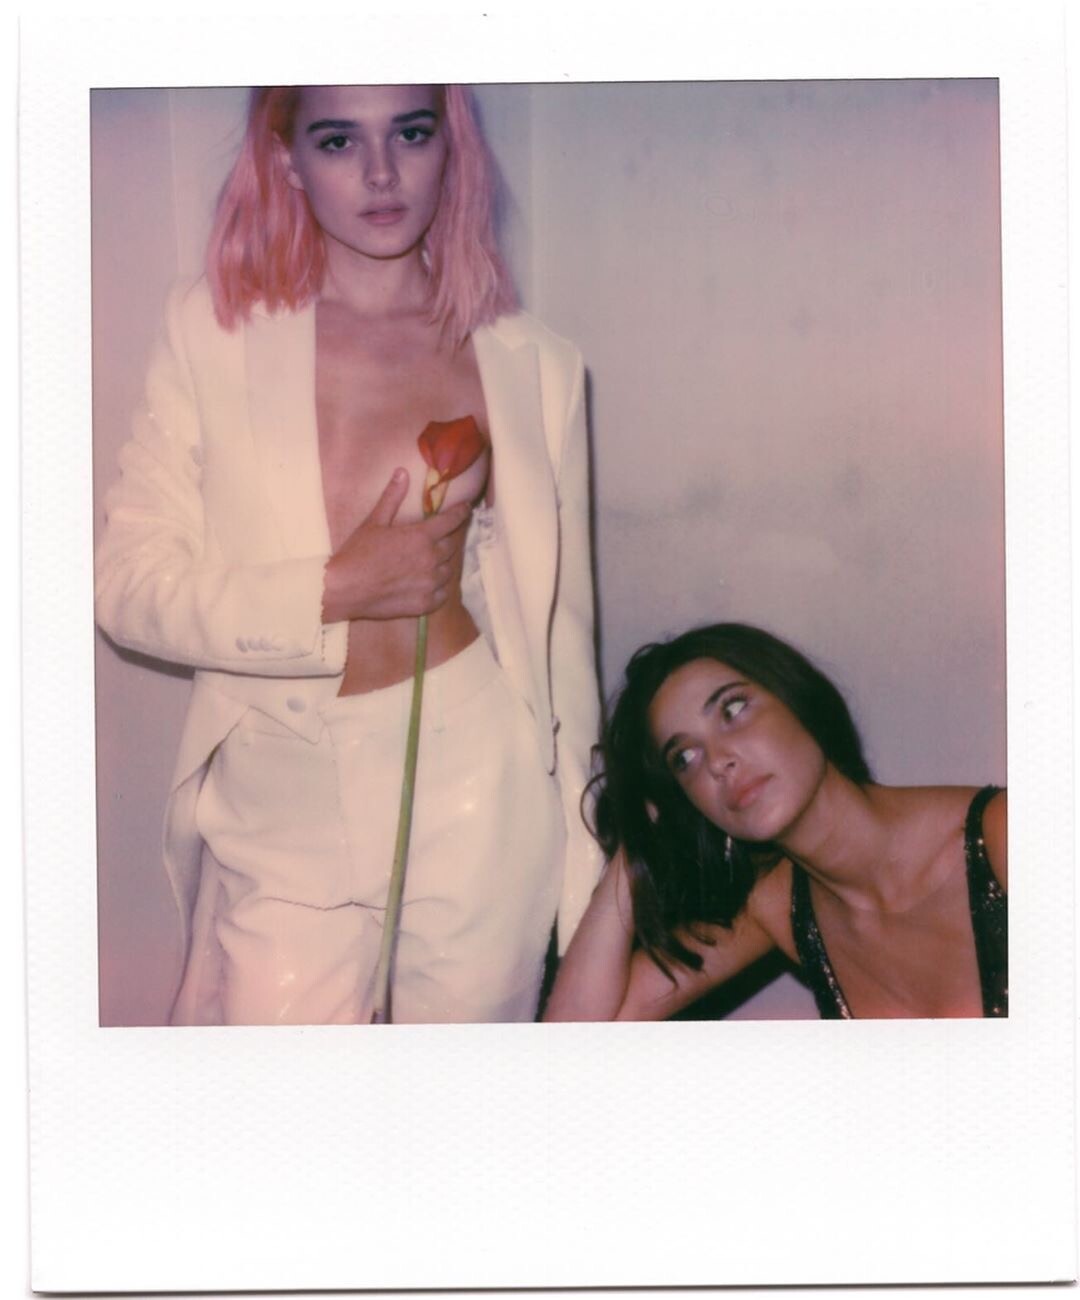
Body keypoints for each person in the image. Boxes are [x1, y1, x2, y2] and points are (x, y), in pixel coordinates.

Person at [95, 84, 602, 1026]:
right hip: (280, 790)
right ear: (286, 159)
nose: (381, 174)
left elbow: (562, 636)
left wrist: (588, 861)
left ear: (450, 147)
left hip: (476, 779)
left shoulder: (533, 362)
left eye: (411, 133)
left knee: (456, 1105)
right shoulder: (211, 332)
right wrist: (336, 589)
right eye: (338, 141)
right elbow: (127, 587)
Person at [544, 623, 1006, 1021]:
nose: (717, 761)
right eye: (684, 757)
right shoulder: (776, 907)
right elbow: (575, 1036)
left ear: (796, 697)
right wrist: (638, 843)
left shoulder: (1004, 837)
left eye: (732, 710)